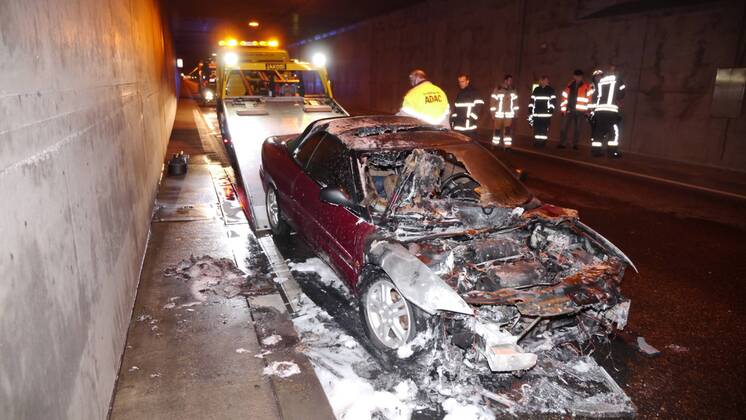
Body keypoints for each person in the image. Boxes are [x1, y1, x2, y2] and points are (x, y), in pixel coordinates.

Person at [589, 66, 626, 157]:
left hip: (600, 111)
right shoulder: (617, 80)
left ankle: (595, 151)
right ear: (615, 72)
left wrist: (592, 112)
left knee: (599, 131)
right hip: (611, 111)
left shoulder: (601, 82)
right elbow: (622, 94)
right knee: (614, 132)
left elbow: (595, 96)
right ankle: (612, 152)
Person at [559, 69, 593, 149]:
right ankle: (562, 143)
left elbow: (589, 99)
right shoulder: (569, 86)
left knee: (577, 129)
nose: (578, 78)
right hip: (569, 110)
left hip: (580, 111)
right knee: (563, 128)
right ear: (574, 76)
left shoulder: (586, 86)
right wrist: (563, 110)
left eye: (580, 76)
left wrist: (589, 110)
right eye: (577, 76)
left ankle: (575, 144)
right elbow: (564, 98)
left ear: (582, 77)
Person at [450, 74, 484, 140]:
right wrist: (453, 120)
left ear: (467, 81)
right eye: (459, 82)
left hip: (469, 128)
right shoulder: (460, 94)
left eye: (462, 81)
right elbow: (456, 109)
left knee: (470, 148)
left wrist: (471, 118)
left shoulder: (474, 92)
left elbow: (479, 106)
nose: (460, 83)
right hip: (458, 127)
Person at [490, 75, 519, 149]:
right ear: (505, 81)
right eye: (509, 80)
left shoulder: (513, 90)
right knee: (497, 130)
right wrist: (493, 114)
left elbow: (515, 103)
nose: (510, 82)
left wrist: (516, 113)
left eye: (511, 80)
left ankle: (507, 146)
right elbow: (493, 102)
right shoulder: (498, 89)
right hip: (498, 114)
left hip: (508, 115)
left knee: (508, 131)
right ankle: (495, 144)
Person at [528, 75, 556, 147]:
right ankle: (537, 142)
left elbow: (553, 101)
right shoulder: (536, 89)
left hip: (545, 113)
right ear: (542, 81)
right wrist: (530, 109)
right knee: (537, 128)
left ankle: (542, 142)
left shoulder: (551, 90)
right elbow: (532, 100)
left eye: (548, 80)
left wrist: (551, 109)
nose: (547, 81)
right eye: (546, 80)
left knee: (544, 128)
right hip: (537, 113)